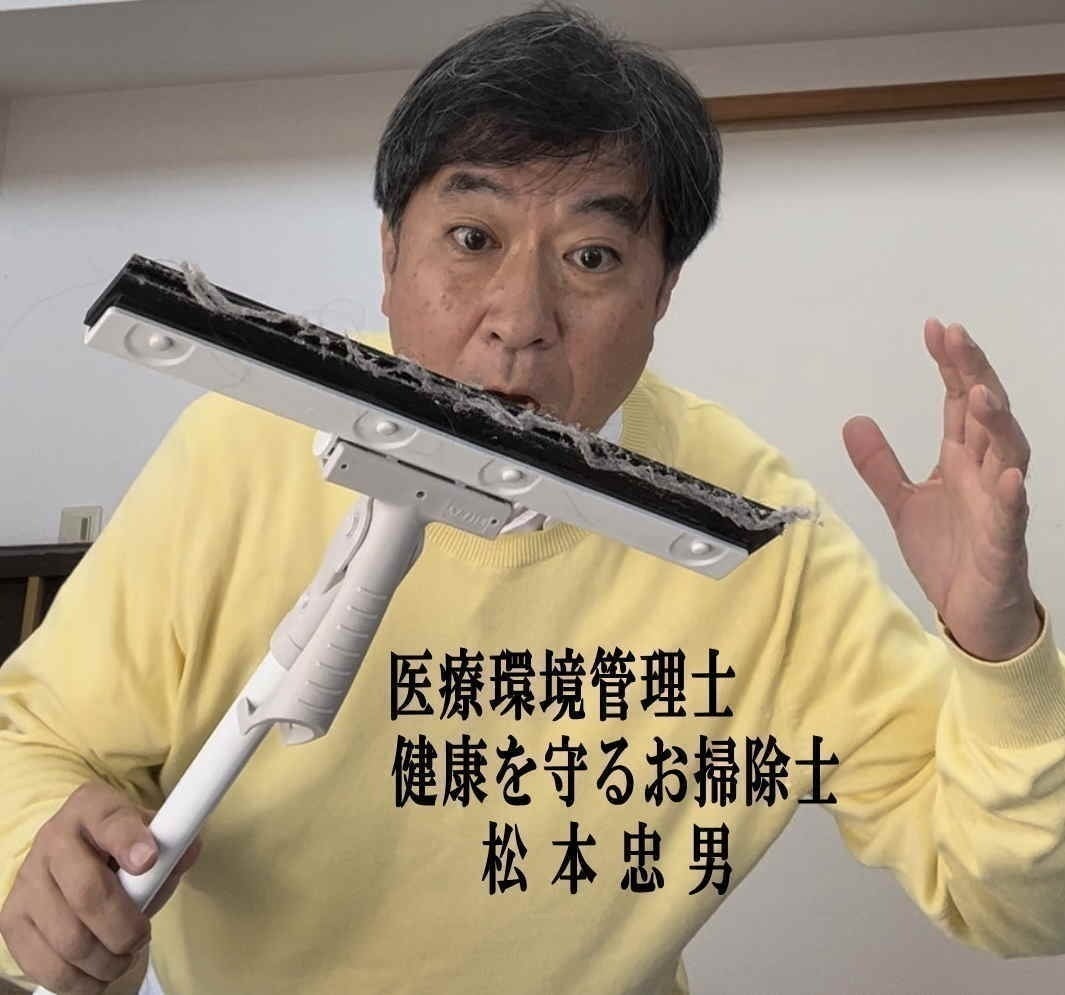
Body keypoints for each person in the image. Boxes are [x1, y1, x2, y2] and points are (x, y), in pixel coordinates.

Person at [2, 5, 1063, 994]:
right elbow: (38, 739)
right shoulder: (244, 444)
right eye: (473, 238)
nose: (520, 317)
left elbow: (1015, 903)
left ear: (662, 292)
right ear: (389, 249)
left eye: (591, 257)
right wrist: (43, 855)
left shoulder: (755, 537)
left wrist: (998, 645)